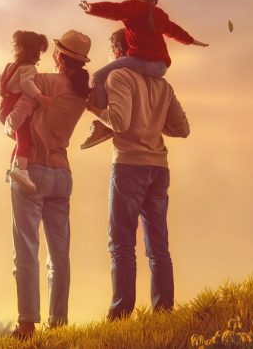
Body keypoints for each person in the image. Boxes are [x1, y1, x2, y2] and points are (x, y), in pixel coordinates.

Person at [87, 38, 190, 320]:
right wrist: (153, 125)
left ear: (118, 53)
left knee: (121, 244)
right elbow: (182, 129)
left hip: (129, 165)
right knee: (158, 245)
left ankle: (120, 314)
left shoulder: (119, 75)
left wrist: (94, 110)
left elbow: (119, 122)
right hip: (159, 168)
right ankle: (164, 313)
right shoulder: (163, 86)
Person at [2, 30, 93, 340]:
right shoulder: (82, 94)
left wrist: (7, 125)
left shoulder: (44, 82)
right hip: (62, 174)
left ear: (59, 57)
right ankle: (58, 322)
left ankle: (27, 325)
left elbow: (16, 118)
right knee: (60, 253)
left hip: (31, 172)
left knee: (26, 249)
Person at [77, 0, 207, 149]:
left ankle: (102, 124)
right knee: (110, 73)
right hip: (160, 67)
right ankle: (104, 121)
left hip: (142, 61)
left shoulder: (136, 8)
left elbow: (115, 10)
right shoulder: (158, 15)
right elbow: (173, 30)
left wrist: (93, 8)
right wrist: (191, 41)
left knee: (98, 76)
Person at [0, 30, 55, 193]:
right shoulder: (28, 68)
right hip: (16, 108)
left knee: (18, 141)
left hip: (4, 107)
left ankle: (11, 169)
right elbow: (28, 85)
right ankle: (21, 170)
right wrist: (41, 97)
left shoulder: (9, 67)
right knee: (25, 140)